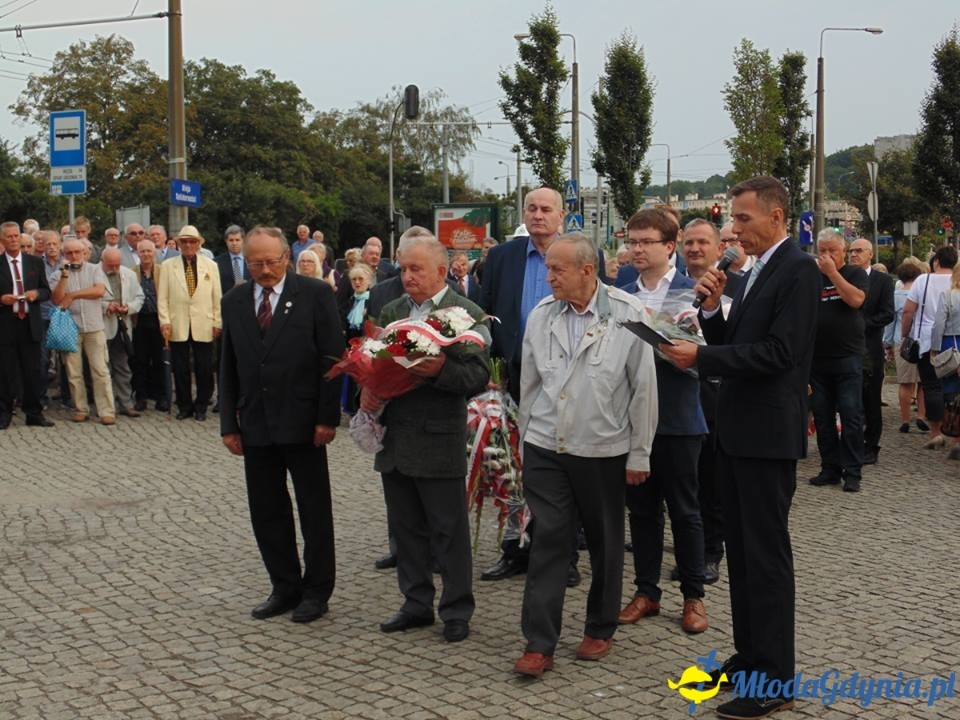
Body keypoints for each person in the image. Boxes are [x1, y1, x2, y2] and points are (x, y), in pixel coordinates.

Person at [660, 176, 820, 719]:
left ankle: (776, 679)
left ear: (776, 217)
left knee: (766, 558)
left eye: (744, 218)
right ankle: (751, 657)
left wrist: (699, 360)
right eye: (733, 218)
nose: (734, 229)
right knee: (745, 557)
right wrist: (708, 314)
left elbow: (778, 353)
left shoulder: (797, 269)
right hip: (736, 431)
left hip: (767, 436)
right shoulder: (754, 271)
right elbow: (738, 344)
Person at [512, 233, 657, 678]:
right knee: (549, 540)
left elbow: (643, 390)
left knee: (606, 542)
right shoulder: (540, 315)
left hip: (602, 449)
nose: (548, 276)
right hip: (546, 445)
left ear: (587, 270)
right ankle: (539, 642)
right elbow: (530, 383)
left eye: (557, 269)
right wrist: (523, 443)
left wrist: (640, 454)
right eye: (548, 269)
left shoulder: (629, 315)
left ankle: (600, 626)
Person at [360, 233, 489, 643]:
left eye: (416, 269)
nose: (407, 275)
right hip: (395, 437)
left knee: (448, 531)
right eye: (403, 267)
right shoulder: (393, 308)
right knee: (406, 528)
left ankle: (456, 610)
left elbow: (477, 377)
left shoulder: (466, 313)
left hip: (438, 438)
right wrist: (369, 385)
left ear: (440, 270)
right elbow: (376, 358)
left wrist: (438, 371)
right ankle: (415, 603)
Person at [220, 226, 344, 623]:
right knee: (267, 509)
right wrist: (228, 423)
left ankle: (317, 590)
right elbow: (228, 364)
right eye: (256, 262)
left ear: (286, 258)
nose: (265, 269)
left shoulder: (315, 294)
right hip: (256, 422)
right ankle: (284, 585)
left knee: (313, 508)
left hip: (304, 421)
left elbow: (332, 360)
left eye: (272, 261)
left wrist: (327, 417)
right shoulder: (235, 300)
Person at [479, 187, 581, 586]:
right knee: (510, 465)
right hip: (512, 377)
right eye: (531, 209)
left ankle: (563, 556)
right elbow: (485, 316)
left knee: (561, 471)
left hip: (565, 380)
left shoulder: (579, 252)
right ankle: (514, 550)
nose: (538, 216)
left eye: (546, 209)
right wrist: (490, 368)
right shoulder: (503, 257)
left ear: (561, 216)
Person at [617, 209, 709, 635]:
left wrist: (675, 348)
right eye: (631, 241)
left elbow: (710, 356)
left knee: (686, 511)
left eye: (644, 242)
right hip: (631, 418)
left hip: (678, 414)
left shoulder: (694, 291)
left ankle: (694, 596)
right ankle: (646, 591)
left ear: (669, 246)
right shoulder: (618, 290)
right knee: (641, 512)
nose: (635, 249)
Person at [807, 230, 868, 493]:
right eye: (823, 251)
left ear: (843, 251)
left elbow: (856, 300)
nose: (827, 256)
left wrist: (833, 273)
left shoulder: (854, 274)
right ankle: (829, 468)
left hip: (848, 357)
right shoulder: (812, 278)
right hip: (818, 360)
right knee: (822, 418)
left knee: (851, 416)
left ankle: (852, 471)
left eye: (832, 250)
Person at [157, 225, 222, 422]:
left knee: (204, 367)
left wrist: (217, 321)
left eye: (192, 241)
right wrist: (165, 321)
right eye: (184, 241)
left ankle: (202, 404)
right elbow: (163, 297)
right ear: (178, 244)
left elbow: (216, 296)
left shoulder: (211, 265)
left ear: (199, 244)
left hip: (204, 321)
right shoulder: (168, 266)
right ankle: (184, 405)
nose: (188, 245)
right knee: (180, 367)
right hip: (178, 323)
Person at [51, 237, 116, 425]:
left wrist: (73, 295)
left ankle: (106, 410)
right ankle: (80, 408)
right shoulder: (58, 274)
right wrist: (64, 276)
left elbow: (98, 291)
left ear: (84, 253)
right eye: (69, 253)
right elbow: (56, 298)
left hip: (95, 327)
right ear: (64, 255)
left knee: (100, 370)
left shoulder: (95, 269)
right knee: (73, 372)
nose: (73, 256)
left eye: (77, 252)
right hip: (70, 328)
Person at [901, 245, 958, 450]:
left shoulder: (923, 280)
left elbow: (908, 311)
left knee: (931, 386)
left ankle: (935, 433)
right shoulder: (957, 282)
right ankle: (955, 435)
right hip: (954, 343)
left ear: (936, 262)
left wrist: (905, 334)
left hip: (926, 341)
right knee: (954, 390)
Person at [0, 221, 54, 429]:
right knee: (6, 371)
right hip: (6, 323)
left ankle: (34, 412)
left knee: (33, 371)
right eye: (10, 237)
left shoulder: (34, 263)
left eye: (16, 236)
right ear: (3, 240)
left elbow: (46, 291)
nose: (14, 240)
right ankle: (4, 412)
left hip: (30, 323)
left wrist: (36, 294)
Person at [848, 238, 894, 465]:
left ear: (870, 254)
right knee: (849, 400)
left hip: (869, 347)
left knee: (871, 399)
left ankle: (871, 444)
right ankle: (850, 441)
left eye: (858, 251)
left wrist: (862, 324)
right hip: (845, 348)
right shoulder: (843, 276)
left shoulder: (883, 281)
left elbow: (888, 313)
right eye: (851, 251)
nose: (853, 254)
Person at [883, 261, 928, 433]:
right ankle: (921, 416)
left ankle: (905, 419)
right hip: (923, 341)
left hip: (903, 342)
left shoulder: (896, 296)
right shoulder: (922, 295)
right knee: (923, 382)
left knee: (905, 383)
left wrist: (887, 343)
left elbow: (890, 322)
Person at [100, 247, 145, 418]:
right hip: (101, 325)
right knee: (103, 369)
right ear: (102, 262)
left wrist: (129, 308)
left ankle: (126, 403)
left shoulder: (129, 274)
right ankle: (107, 406)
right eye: (110, 265)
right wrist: (106, 306)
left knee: (123, 366)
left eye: (117, 265)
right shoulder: (93, 273)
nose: (114, 269)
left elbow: (139, 297)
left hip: (122, 326)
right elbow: (86, 299)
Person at [133, 239, 167, 412]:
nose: (146, 254)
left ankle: (162, 396)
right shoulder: (132, 272)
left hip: (158, 320)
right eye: (142, 251)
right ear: (138, 253)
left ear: (154, 252)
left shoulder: (162, 271)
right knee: (140, 361)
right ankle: (141, 396)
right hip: (139, 321)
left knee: (159, 360)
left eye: (149, 251)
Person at [931, 264, 960, 460]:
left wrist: (934, 349)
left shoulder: (948, 295)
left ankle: (956, 437)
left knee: (952, 394)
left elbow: (938, 324)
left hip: (952, 346)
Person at [215, 224, 249, 293]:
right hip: (226, 301)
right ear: (226, 241)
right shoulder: (216, 263)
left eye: (237, 240)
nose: (234, 243)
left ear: (243, 240)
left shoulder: (252, 260)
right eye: (231, 240)